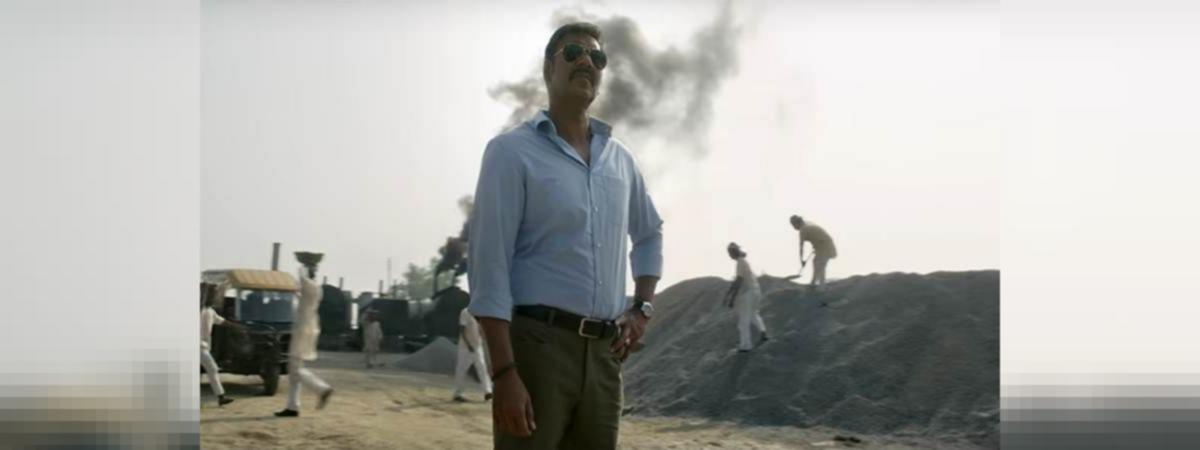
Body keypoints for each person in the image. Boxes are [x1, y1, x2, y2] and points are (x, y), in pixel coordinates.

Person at [468, 22, 664, 450]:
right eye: (574, 53)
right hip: (538, 350)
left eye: (597, 57)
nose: (586, 62)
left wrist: (642, 308)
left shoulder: (620, 161)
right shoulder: (511, 153)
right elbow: (489, 267)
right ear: (548, 68)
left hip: (605, 359)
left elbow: (649, 234)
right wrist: (504, 373)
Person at [275, 262, 334, 418]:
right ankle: (292, 406)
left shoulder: (308, 285)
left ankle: (322, 389)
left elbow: (302, 277)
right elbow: (302, 296)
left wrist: (304, 264)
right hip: (307, 329)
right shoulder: (316, 289)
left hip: (301, 330)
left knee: (295, 369)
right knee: (294, 371)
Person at [722, 243, 769, 352]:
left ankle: (746, 346)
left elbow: (738, 281)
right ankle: (763, 332)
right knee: (753, 314)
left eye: (729, 253)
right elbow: (737, 281)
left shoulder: (740, 262)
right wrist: (729, 293)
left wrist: (732, 298)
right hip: (756, 291)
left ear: (733, 252)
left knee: (743, 321)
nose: (729, 255)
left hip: (748, 293)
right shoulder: (743, 261)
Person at [200, 283, 235, 407]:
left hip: (203, 347)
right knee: (212, 368)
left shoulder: (210, 311)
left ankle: (221, 397)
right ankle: (221, 397)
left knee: (210, 369)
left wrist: (237, 326)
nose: (214, 298)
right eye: (212, 295)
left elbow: (222, 321)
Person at [453, 308, 494, 402]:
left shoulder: (481, 313)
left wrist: (484, 338)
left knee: (482, 368)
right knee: (461, 370)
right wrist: (468, 345)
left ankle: (488, 392)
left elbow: (481, 329)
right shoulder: (466, 312)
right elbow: (462, 330)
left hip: (477, 346)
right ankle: (458, 394)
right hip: (465, 348)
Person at [791, 215, 838, 290]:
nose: (793, 227)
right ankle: (813, 283)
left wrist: (802, 261)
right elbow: (816, 236)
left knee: (820, 265)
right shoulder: (807, 224)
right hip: (822, 246)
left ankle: (822, 287)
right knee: (815, 262)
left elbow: (801, 247)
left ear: (797, 223)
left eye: (793, 225)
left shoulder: (803, 230)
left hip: (825, 246)